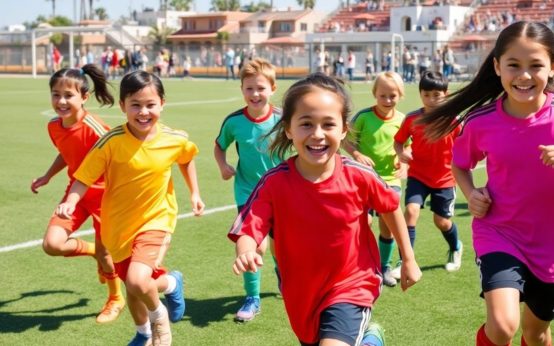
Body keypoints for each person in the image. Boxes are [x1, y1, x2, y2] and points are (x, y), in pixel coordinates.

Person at [229, 73, 422, 345]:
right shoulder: (274, 183)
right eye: (306, 124)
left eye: (328, 124)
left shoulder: (360, 176)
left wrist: (409, 258)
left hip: (352, 284)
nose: (317, 134)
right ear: (288, 128)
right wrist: (246, 251)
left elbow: (390, 208)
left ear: (343, 129)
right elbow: (250, 228)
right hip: (300, 291)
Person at [420, 21, 554, 346]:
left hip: (549, 243)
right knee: (502, 326)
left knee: (536, 334)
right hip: (500, 232)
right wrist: (470, 193)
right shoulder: (481, 122)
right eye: (513, 65)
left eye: (536, 65)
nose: (524, 75)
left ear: (552, 68)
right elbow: (460, 164)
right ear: (497, 67)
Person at [56, 70, 205, 346]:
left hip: (156, 219)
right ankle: (153, 316)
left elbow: (186, 158)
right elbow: (83, 178)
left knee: (137, 281)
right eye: (135, 105)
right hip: (119, 225)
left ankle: (159, 321)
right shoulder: (111, 142)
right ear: (122, 106)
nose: (143, 112)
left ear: (162, 103)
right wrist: (71, 200)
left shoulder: (173, 138)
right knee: (134, 287)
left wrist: (194, 192)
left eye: (150, 104)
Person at [31, 64, 125, 324]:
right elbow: (66, 152)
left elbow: (118, 158)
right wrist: (48, 175)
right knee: (52, 244)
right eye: (55, 94)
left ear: (84, 97)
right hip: (75, 194)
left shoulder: (95, 128)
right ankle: (93, 250)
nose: (61, 101)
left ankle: (116, 298)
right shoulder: (54, 126)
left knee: (108, 256)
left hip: (105, 198)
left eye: (68, 95)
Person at [214, 58, 281, 322]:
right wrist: (223, 166)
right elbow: (219, 145)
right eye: (249, 88)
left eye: (261, 88)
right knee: (255, 246)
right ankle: (252, 297)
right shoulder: (234, 122)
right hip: (248, 193)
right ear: (242, 89)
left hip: (281, 192)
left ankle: (282, 276)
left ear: (272, 88)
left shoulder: (283, 120)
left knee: (281, 246)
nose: (255, 94)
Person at [391, 71, 463, 280]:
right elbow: (399, 141)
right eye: (427, 94)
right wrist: (401, 151)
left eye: (436, 95)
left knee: (441, 221)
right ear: (420, 94)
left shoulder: (454, 120)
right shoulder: (412, 119)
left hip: (445, 180)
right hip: (418, 176)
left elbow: (468, 143)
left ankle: (455, 247)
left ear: (445, 94)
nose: (431, 99)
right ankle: (405, 261)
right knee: (411, 212)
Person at [343, 71, 407, 287]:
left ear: (401, 95)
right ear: (374, 94)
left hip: (391, 179)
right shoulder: (363, 117)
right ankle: (358, 263)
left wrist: (405, 164)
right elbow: (345, 140)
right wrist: (357, 154)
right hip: (364, 178)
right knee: (364, 221)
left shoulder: (403, 120)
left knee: (387, 224)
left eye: (393, 96)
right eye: (382, 96)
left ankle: (385, 266)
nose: (387, 100)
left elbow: (409, 146)